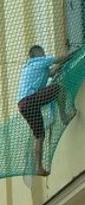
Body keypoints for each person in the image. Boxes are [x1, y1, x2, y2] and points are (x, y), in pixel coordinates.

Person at [18, 44, 70, 178]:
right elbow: (60, 58)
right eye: (42, 51)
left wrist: (58, 67)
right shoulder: (40, 61)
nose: (44, 53)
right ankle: (64, 117)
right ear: (37, 53)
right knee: (59, 88)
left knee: (39, 135)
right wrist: (72, 52)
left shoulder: (31, 66)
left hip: (23, 105)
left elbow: (51, 72)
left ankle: (39, 167)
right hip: (31, 100)